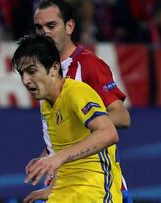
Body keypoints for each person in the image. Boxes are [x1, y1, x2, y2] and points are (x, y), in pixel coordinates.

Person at [25, 0, 132, 202]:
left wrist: (88, 120)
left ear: (69, 27)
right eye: (39, 28)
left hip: (101, 185)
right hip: (67, 185)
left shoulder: (89, 65)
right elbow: (62, 131)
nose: (44, 33)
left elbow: (122, 116)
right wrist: (46, 156)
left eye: (51, 26)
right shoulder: (44, 74)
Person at [12, 33, 123, 203]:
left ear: (54, 69)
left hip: (95, 191)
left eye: (32, 71)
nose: (26, 80)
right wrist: (50, 189)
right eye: (22, 74)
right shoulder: (47, 105)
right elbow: (59, 150)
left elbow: (108, 133)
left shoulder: (76, 92)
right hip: (63, 193)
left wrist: (58, 158)